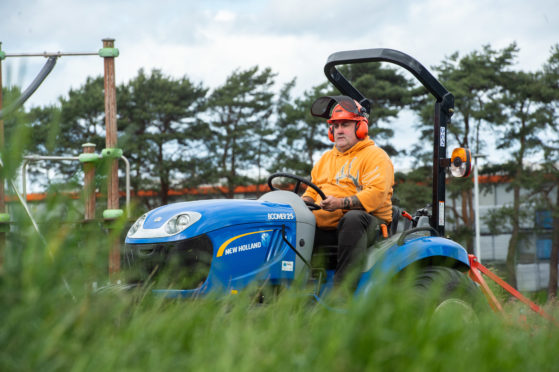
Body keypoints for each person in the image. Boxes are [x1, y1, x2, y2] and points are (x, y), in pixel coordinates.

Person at [302, 95, 394, 284]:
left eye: (345, 124)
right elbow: (312, 191)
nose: (339, 131)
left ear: (360, 128)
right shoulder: (326, 158)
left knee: (352, 218)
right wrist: (301, 205)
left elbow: (376, 193)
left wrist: (340, 203)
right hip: (328, 225)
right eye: (335, 126)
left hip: (368, 226)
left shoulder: (375, 156)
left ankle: (343, 290)